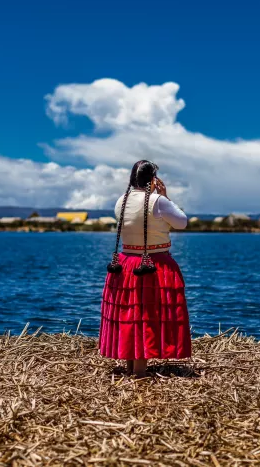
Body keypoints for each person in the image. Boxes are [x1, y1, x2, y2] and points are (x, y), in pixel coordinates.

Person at [99, 160, 191, 377]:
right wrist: (166, 196)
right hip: (154, 263)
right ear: (153, 179)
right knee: (146, 314)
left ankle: (131, 365)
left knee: (130, 313)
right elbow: (182, 222)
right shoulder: (158, 201)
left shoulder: (120, 201)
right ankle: (140, 371)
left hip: (126, 263)